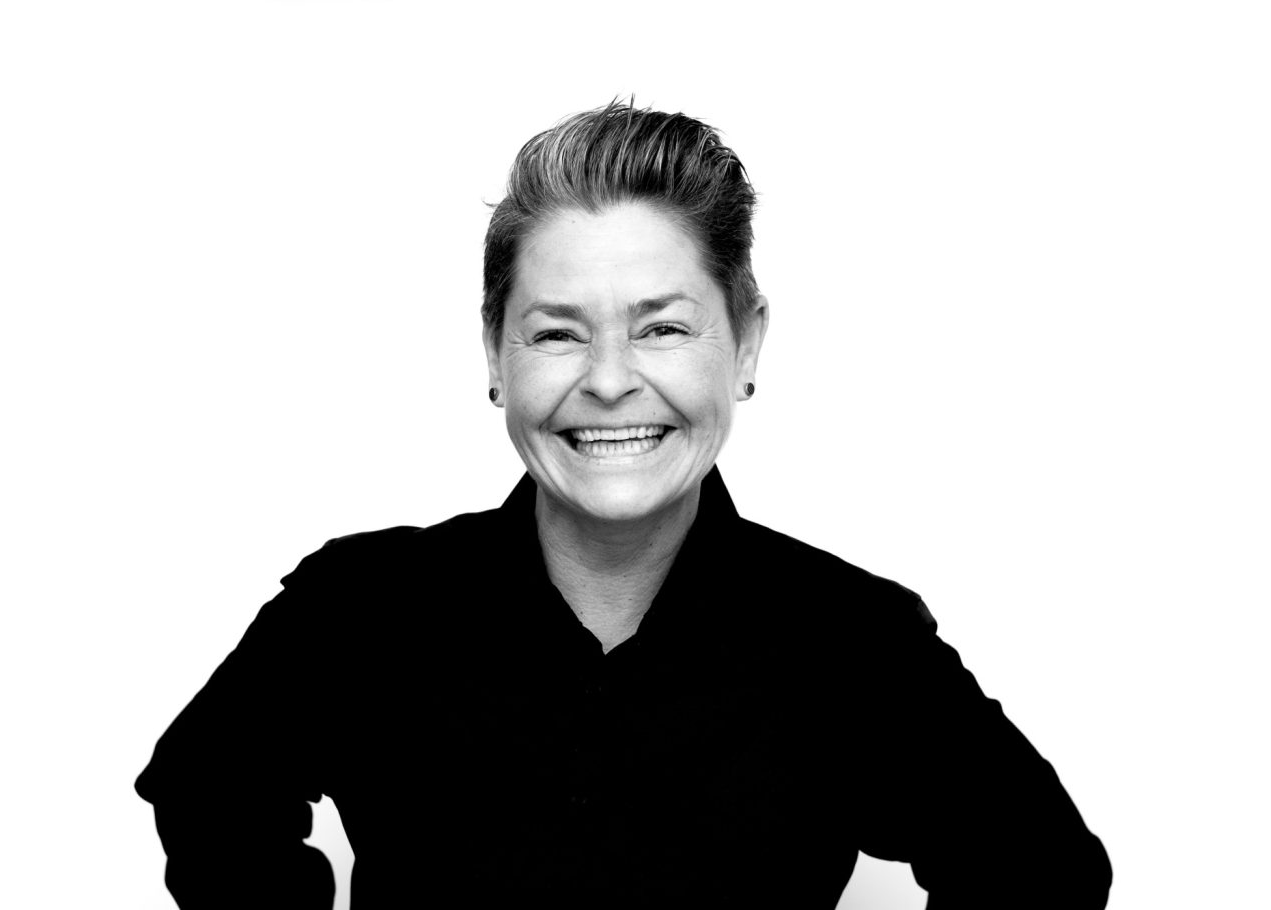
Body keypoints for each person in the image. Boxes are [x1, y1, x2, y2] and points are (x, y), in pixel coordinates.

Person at [135, 100, 1112, 907]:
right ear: (495, 354)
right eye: (558, 333)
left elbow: (1042, 870)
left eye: (663, 329)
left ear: (746, 344)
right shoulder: (360, 604)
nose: (609, 381)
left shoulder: (852, 640)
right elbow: (207, 790)